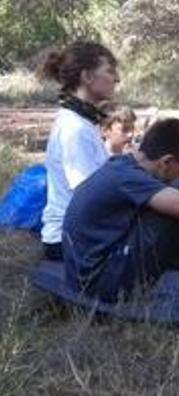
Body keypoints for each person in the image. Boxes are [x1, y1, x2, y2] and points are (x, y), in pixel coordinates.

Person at [63, 118, 179, 302]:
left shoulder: (126, 166)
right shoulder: (127, 177)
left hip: (104, 262)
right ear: (166, 161)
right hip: (101, 280)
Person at [38, 41, 119, 261]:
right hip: (70, 241)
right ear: (87, 77)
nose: (116, 79)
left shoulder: (84, 122)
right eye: (110, 71)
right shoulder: (74, 128)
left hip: (81, 232)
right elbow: (90, 196)